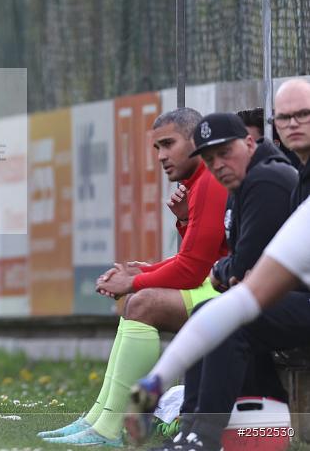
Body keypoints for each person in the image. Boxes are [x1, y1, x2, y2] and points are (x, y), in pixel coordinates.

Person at [38, 108, 229, 446]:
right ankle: (98, 417)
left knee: (142, 303)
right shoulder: (198, 183)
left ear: (196, 140)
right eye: (157, 148)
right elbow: (199, 258)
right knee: (137, 302)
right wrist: (147, 266)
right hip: (219, 286)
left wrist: (133, 281)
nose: (161, 156)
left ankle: (109, 429)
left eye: (168, 144)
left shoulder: (210, 181)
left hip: (236, 294)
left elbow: (192, 269)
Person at [127, 102, 310, 450]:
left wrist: (228, 273)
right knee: (216, 312)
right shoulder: (252, 185)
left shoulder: (268, 180)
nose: (218, 166)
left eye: (225, 153)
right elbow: (240, 288)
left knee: (231, 321)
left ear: (250, 144)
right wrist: (151, 386)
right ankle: (194, 431)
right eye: (210, 160)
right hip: (291, 301)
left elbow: (240, 269)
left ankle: (202, 436)